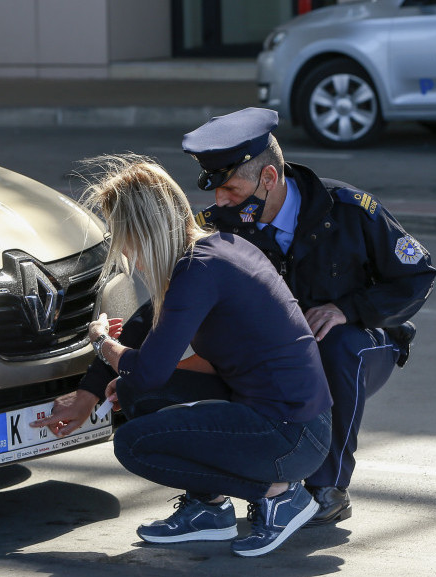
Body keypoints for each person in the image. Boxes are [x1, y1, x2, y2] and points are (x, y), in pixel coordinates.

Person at [33, 153, 333, 558]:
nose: (124, 253)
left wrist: (102, 340)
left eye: (124, 239)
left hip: (291, 435)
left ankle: (279, 496)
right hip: (295, 420)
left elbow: (149, 370)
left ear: (144, 231)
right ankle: (208, 511)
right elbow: (144, 333)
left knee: (134, 445)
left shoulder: (198, 271)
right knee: (135, 392)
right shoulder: (215, 250)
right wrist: (92, 391)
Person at [182, 107, 436, 526]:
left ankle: (326, 488)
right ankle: (212, 492)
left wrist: (348, 309)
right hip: (275, 351)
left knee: (337, 345)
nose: (221, 201)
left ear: (269, 178)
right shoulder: (219, 225)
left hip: (360, 343)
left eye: (230, 188)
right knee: (207, 358)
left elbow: (417, 276)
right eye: (216, 191)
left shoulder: (349, 209)